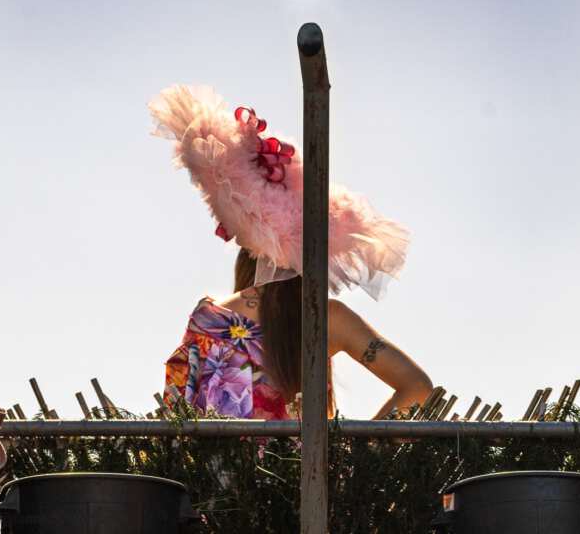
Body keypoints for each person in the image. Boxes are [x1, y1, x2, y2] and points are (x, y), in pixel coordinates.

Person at [151, 85, 433, 420]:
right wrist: (359, 454)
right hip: (304, 472)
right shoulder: (331, 319)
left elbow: (176, 413)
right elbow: (418, 387)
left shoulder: (209, 317)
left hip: (212, 474)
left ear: (249, 248)